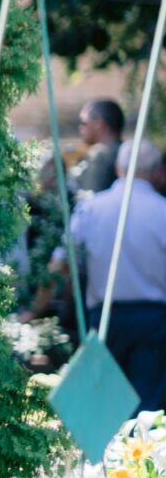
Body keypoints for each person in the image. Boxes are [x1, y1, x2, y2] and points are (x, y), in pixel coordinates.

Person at [67, 138, 166, 411]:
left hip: (104, 316)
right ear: (156, 171)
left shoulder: (91, 208)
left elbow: (63, 259)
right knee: (146, 406)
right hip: (153, 319)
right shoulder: (163, 211)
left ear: (119, 168)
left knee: (102, 404)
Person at [75, 99, 126, 194]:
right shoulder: (128, 151)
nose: (80, 127)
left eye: (83, 122)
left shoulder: (100, 154)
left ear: (99, 123)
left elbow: (90, 197)